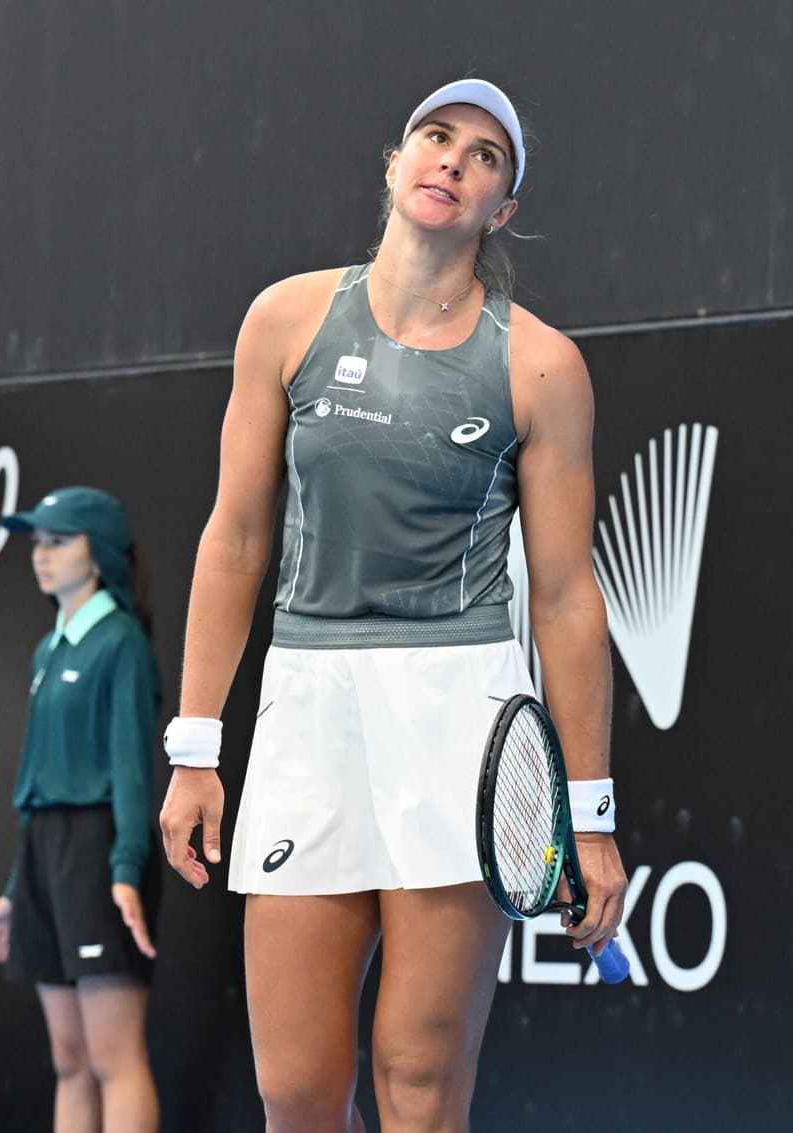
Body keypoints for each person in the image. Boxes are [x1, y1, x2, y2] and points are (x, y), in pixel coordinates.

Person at [159, 78, 628, 1132]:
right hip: (307, 706)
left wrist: (588, 815)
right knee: (297, 1091)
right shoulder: (284, 318)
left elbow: (563, 596)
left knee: (418, 1090)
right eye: (436, 136)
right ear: (394, 162)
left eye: (485, 156)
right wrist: (194, 746)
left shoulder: (541, 366)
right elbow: (234, 539)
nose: (453, 159)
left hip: (458, 715)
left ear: (498, 209)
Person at [0, 486, 162, 1133]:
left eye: (58, 540)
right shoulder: (47, 648)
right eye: (38, 541)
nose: (41, 554)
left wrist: (125, 868)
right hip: (43, 857)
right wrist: (13, 889)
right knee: (69, 1057)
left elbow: (133, 771)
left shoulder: (121, 644)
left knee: (114, 1056)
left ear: (100, 551)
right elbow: (37, 779)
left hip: (97, 853)